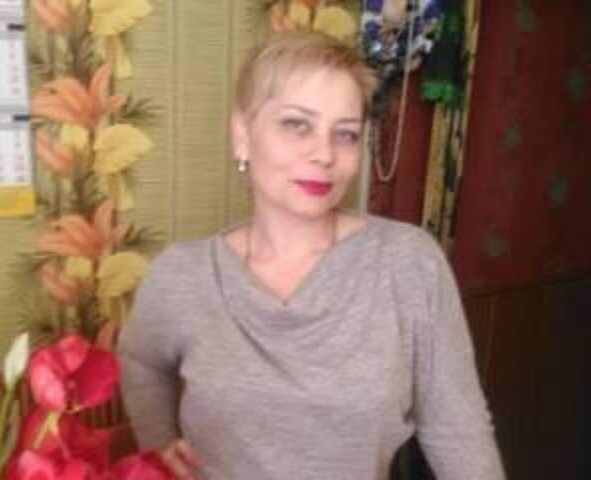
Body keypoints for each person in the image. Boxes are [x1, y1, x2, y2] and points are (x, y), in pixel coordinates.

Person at [118, 31, 505, 480]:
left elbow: (458, 432)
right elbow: (140, 360)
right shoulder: (182, 276)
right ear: (242, 134)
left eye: (346, 134)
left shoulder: (408, 264)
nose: (324, 154)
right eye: (296, 124)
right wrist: (159, 444)